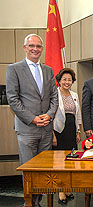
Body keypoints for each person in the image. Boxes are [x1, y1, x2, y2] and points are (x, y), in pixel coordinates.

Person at [6, 34, 58, 207]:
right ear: (25, 47)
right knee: (28, 169)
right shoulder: (14, 69)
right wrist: (33, 118)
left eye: (38, 46)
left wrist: (49, 115)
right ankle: (30, 203)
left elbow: (54, 97)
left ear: (42, 49)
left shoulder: (48, 70)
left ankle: (39, 201)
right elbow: (13, 99)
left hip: (46, 129)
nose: (35, 49)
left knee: (44, 170)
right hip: (27, 128)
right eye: (32, 46)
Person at [53, 68, 82, 204]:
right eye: (64, 79)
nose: (67, 82)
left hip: (71, 130)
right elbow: (51, 115)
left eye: (69, 79)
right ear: (59, 80)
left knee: (70, 160)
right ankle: (60, 192)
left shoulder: (74, 94)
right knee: (59, 162)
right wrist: (52, 135)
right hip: (59, 131)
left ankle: (67, 188)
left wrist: (78, 131)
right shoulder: (54, 94)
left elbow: (78, 114)